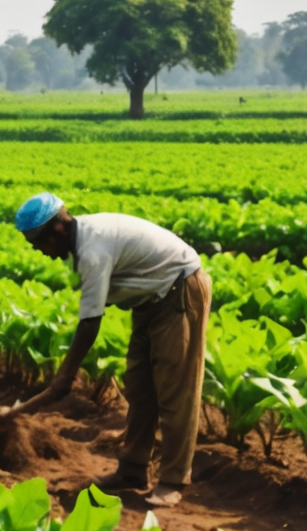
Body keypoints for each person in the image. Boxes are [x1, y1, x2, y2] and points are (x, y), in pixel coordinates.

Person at [13, 194, 211, 508]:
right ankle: (133, 470)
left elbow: (90, 323)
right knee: (140, 388)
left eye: (38, 242)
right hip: (151, 301)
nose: (38, 250)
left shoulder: (93, 250)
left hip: (180, 291)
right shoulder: (83, 242)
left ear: (59, 232)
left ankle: (173, 480)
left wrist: (64, 376)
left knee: (175, 391)